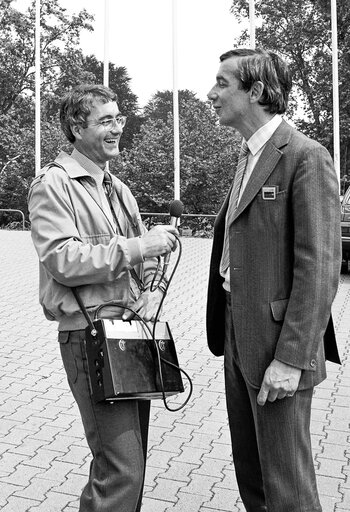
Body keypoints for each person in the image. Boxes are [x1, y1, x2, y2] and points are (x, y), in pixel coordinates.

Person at [28, 83, 178, 512]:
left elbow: (134, 257)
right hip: (89, 335)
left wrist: (148, 272)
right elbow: (61, 258)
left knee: (133, 464)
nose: (117, 128)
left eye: (120, 119)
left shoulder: (118, 187)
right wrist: (138, 248)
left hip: (130, 333)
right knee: (121, 469)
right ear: (76, 128)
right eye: (106, 120)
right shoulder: (53, 185)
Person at [206, 48, 341, 512]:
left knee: (288, 489)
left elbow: (320, 267)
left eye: (223, 84)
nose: (212, 94)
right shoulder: (247, 156)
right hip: (235, 332)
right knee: (254, 478)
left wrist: (291, 359)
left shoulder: (305, 156)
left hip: (278, 346)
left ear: (257, 91)